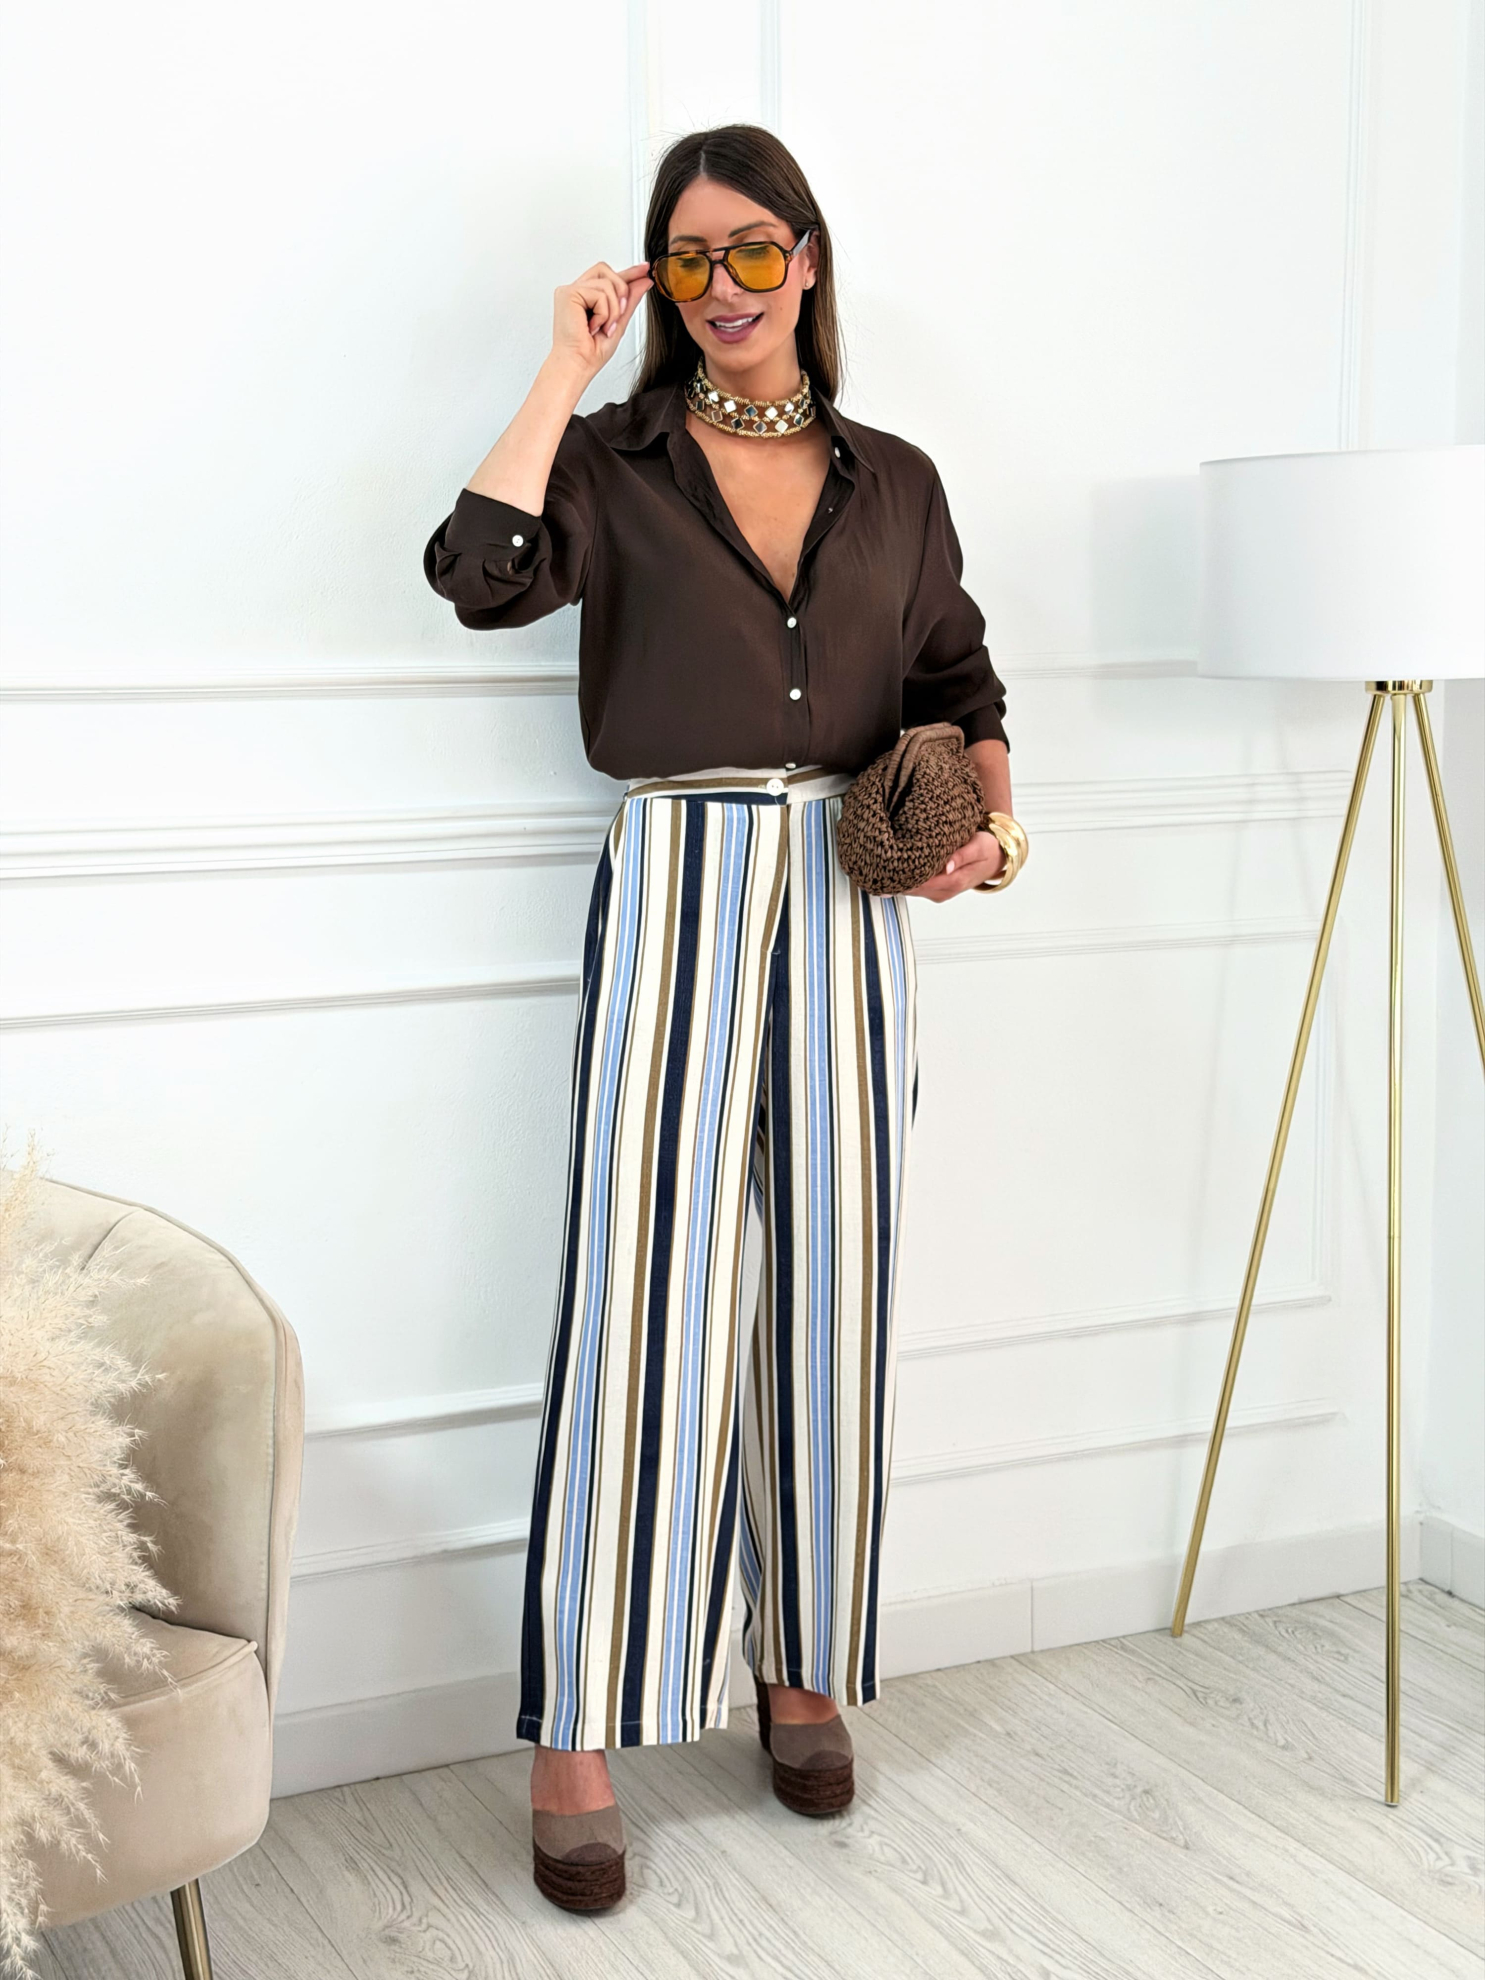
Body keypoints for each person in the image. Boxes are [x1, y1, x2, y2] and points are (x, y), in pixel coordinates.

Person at [423, 122, 1017, 1912]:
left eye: (754, 249)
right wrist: (563, 366)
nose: (725, 286)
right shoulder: (613, 463)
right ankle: (577, 1733)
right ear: (656, 278)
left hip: (849, 891)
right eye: (688, 257)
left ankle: (802, 1665)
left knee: (831, 1292)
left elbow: (959, 675)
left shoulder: (894, 479)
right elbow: (475, 575)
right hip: (678, 871)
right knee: (644, 1302)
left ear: (807, 260)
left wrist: (989, 831)